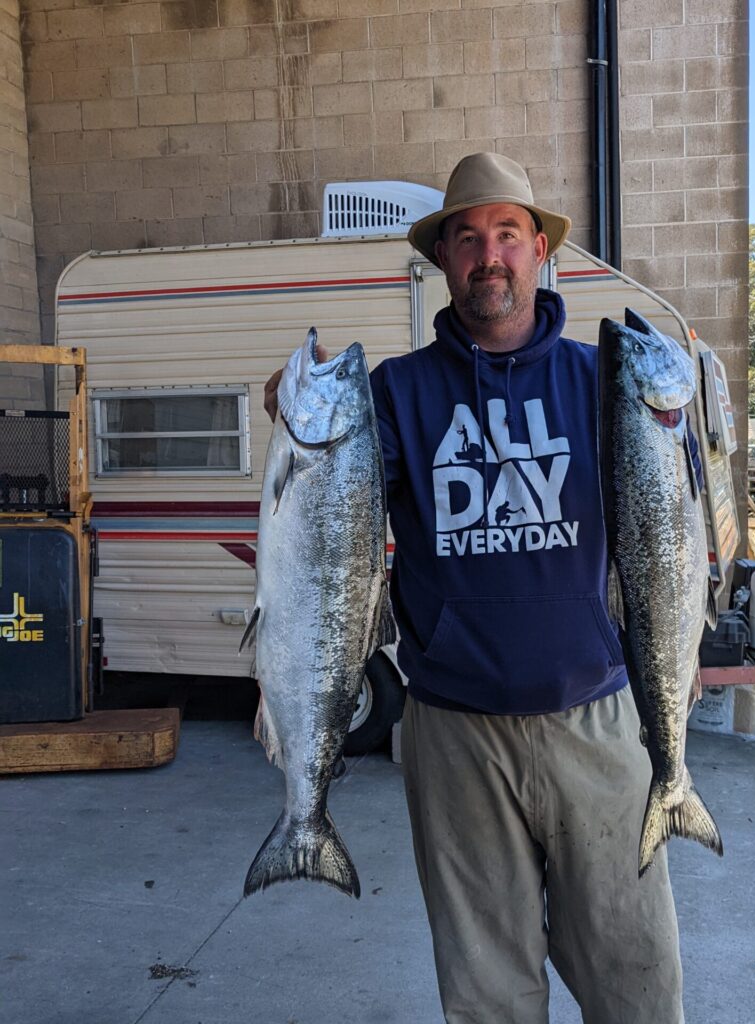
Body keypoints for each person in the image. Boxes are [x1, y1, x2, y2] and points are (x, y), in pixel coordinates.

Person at [266, 152, 685, 1024]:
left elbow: (666, 533)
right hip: (452, 732)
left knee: (635, 979)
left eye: (506, 234)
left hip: (598, 720)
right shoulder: (393, 392)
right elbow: (331, 525)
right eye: (466, 238)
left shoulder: (604, 383)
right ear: (443, 260)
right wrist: (291, 439)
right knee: (486, 993)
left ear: (539, 252)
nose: (487, 255)